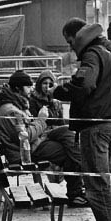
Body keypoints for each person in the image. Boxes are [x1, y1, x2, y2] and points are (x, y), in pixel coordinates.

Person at [53, 18, 111, 221]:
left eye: (70, 41)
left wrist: (60, 91)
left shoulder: (92, 54)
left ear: (79, 36)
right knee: (103, 183)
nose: (70, 47)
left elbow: (85, 85)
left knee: (96, 185)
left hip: (96, 126)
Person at [0, 69, 87, 206]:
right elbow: (24, 137)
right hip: (27, 151)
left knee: (68, 132)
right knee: (68, 150)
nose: (31, 89)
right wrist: (41, 119)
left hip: (32, 144)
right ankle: (77, 193)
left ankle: (79, 186)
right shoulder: (11, 111)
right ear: (18, 88)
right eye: (28, 86)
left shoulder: (13, 104)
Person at [28, 70, 86, 202]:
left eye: (50, 84)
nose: (47, 87)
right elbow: (34, 124)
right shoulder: (33, 101)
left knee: (71, 146)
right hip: (42, 135)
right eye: (44, 83)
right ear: (39, 85)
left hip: (55, 134)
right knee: (70, 138)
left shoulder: (56, 102)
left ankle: (76, 191)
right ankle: (78, 185)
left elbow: (61, 122)